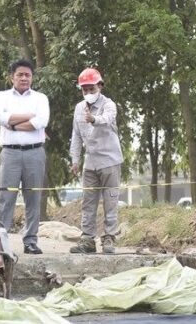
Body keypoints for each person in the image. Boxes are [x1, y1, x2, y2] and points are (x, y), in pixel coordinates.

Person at [0, 59, 50, 255]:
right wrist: (29, 115)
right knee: (6, 197)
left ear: (32, 77)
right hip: (10, 153)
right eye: (20, 74)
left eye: (28, 75)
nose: (24, 78)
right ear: (12, 77)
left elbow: (41, 121)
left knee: (33, 197)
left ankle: (31, 241)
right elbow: (0, 118)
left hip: (35, 152)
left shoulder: (41, 98)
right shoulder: (2, 96)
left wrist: (14, 122)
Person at [68, 68, 123, 254]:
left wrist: (93, 119)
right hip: (90, 162)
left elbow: (107, 119)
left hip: (110, 160)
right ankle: (87, 239)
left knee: (110, 200)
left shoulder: (109, 105)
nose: (88, 94)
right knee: (88, 201)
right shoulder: (78, 108)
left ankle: (109, 238)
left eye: (92, 89)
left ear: (100, 85)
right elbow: (76, 135)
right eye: (85, 90)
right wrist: (75, 160)